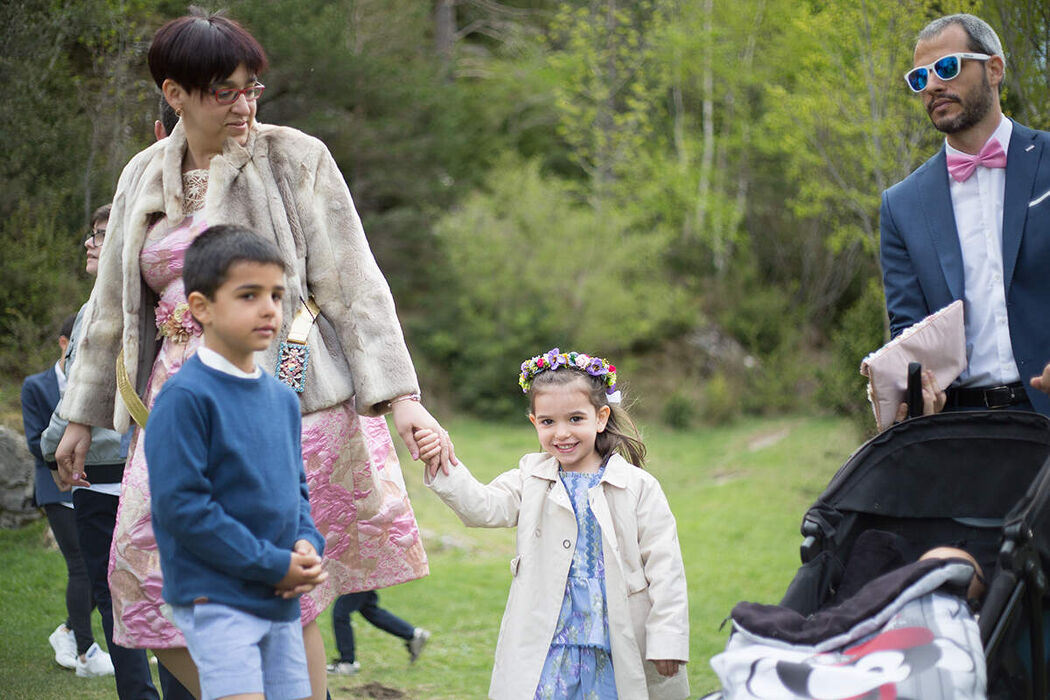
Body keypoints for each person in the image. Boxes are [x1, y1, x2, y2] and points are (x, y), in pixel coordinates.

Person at [53, 10, 453, 699]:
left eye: (252, 88)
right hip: (176, 400)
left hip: (287, 398)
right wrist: (82, 416)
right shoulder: (143, 175)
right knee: (140, 578)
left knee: (286, 584)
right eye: (224, 91)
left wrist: (404, 400)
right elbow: (117, 307)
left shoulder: (296, 156)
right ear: (174, 93)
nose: (243, 105)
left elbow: (354, 284)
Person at [415, 348, 690, 700]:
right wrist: (442, 461)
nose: (562, 433)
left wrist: (667, 637)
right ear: (534, 422)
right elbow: (482, 508)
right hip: (549, 642)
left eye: (575, 419)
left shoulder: (638, 487)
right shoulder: (530, 477)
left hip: (614, 640)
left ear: (601, 417)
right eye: (548, 422)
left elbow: (666, 568)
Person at [146, 225, 326, 700]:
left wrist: (307, 545)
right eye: (249, 295)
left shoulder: (282, 399)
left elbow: (296, 493)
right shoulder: (185, 397)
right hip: (217, 596)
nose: (269, 308)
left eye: (276, 294)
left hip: (280, 598)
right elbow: (183, 507)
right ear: (201, 307)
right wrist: (272, 563)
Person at [41, 205, 192, 698]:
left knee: (125, 599)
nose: (90, 242)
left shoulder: (115, 310)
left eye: (102, 234)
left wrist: (53, 445)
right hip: (110, 472)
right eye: (91, 233)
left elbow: (83, 400)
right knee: (152, 599)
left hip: (113, 472)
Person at [880, 13, 1050, 419]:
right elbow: (909, 331)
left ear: (994, 69)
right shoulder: (900, 204)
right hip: (959, 434)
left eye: (947, 67)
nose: (933, 85)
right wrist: (916, 391)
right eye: (919, 78)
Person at [22, 313, 114, 677]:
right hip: (56, 488)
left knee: (103, 567)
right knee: (81, 567)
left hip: (97, 482)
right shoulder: (35, 386)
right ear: (66, 344)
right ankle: (84, 652)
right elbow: (34, 440)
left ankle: (67, 631)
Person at [326, 590, 430, 675]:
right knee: (368, 608)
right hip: (362, 569)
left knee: (341, 612)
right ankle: (413, 635)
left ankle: (347, 662)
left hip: (360, 569)